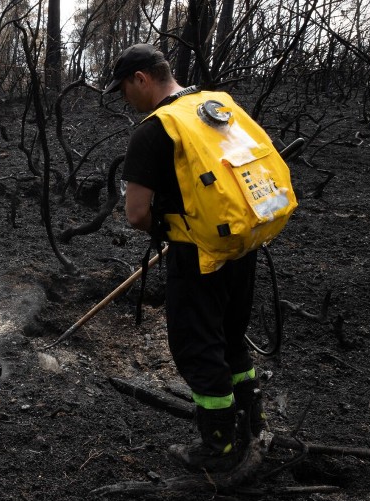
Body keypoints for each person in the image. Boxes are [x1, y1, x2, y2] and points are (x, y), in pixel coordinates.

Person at [106, 44, 268, 472]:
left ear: (141, 79)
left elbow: (137, 213)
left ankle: (219, 448)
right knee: (231, 338)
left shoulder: (154, 129)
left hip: (197, 254)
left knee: (197, 348)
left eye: (124, 88)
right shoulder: (216, 105)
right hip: (242, 242)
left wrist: (169, 230)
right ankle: (252, 425)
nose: (125, 98)